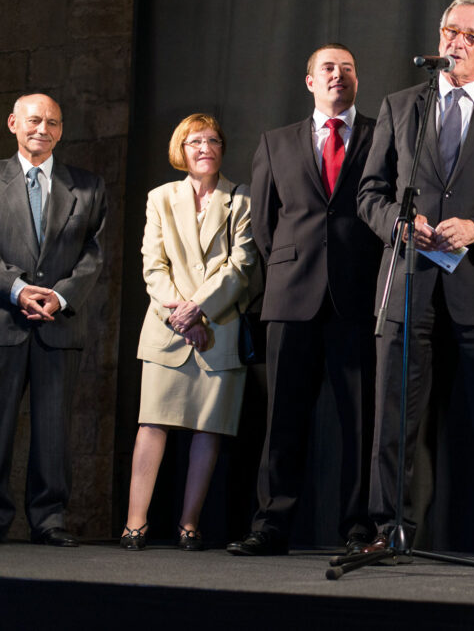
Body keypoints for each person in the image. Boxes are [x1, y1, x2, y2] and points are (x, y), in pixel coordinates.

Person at [358, 0, 474, 563]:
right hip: (410, 281)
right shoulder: (401, 106)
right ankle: (388, 528)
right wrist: (399, 224)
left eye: (469, 35)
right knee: (395, 417)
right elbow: (370, 195)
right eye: (448, 31)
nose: (455, 42)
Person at [228, 43, 381, 556]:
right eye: (328, 68)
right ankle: (271, 526)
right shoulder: (276, 142)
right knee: (282, 422)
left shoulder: (383, 135)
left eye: (348, 68)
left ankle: (360, 528)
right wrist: (293, 270)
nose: (339, 75)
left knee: (361, 424)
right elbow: (266, 225)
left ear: (357, 80)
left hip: (358, 300)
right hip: (291, 300)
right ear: (310, 80)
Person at [122, 114, 258, 551]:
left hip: (218, 327)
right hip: (168, 329)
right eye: (195, 141)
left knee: (208, 428)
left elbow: (242, 268)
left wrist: (198, 312)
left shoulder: (243, 200)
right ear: (181, 149)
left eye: (213, 140)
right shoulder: (160, 198)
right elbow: (152, 266)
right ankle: (134, 523)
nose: (205, 148)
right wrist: (181, 317)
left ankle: (189, 524)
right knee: (152, 423)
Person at [0, 94, 107, 547]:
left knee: (54, 431)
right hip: (4, 322)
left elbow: (94, 254)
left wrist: (60, 298)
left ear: (61, 131)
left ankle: (49, 519)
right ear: (13, 124)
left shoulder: (88, 186)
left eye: (53, 123)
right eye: (34, 120)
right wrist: (19, 288)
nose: (42, 129)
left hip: (58, 327)